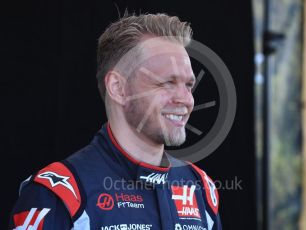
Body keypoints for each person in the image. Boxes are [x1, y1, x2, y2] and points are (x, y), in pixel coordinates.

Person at [9, 13, 222, 230]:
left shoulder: (200, 188)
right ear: (118, 89)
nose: (185, 99)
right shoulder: (60, 194)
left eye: (188, 85)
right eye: (167, 83)